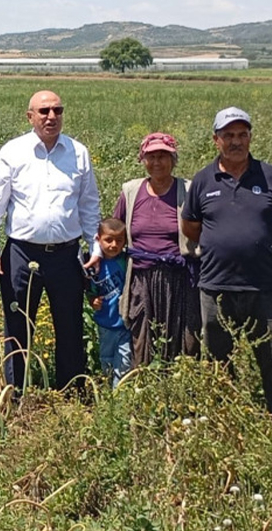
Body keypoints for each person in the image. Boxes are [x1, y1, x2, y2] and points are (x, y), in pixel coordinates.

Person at [182, 107, 272, 414]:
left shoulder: (270, 176)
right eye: (228, 135)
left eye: (242, 135)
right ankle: (221, 416)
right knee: (216, 359)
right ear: (216, 140)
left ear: (250, 137)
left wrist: (266, 242)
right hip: (216, 286)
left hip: (263, 285)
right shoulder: (203, 180)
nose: (236, 141)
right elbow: (190, 226)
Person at [0, 90, 100, 391]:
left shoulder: (78, 152)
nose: (51, 117)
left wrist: (94, 247)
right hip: (21, 254)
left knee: (70, 325)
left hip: (66, 255)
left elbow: (89, 205)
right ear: (30, 116)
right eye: (44, 111)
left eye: (57, 110)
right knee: (17, 327)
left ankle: (71, 392)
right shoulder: (13, 152)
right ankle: (16, 393)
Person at [91, 132, 200, 367]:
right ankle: (144, 385)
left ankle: (179, 389)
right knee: (142, 333)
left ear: (173, 159)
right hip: (141, 277)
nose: (157, 162)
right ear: (143, 160)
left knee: (182, 334)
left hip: (179, 277)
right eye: (151, 157)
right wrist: (98, 257)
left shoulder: (188, 190)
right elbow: (113, 230)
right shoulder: (131, 192)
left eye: (163, 156)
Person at [88, 218, 132, 386]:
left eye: (119, 241)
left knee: (124, 362)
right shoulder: (94, 264)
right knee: (106, 360)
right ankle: (108, 396)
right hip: (105, 324)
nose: (114, 245)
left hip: (125, 324)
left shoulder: (125, 261)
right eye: (108, 240)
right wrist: (93, 300)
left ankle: (119, 397)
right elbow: (90, 291)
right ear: (98, 240)